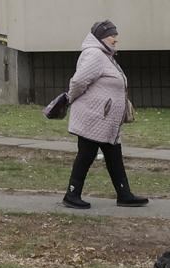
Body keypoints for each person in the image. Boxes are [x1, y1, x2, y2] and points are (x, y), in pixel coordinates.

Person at [63, 19, 148, 208]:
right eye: (112, 36)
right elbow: (78, 82)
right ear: (101, 37)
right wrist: (71, 98)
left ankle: (124, 194)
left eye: (115, 35)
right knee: (86, 154)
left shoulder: (105, 55)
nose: (115, 39)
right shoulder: (94, 55)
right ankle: (72, 195)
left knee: (114, 156)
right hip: (93, 117)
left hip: (105, 120)